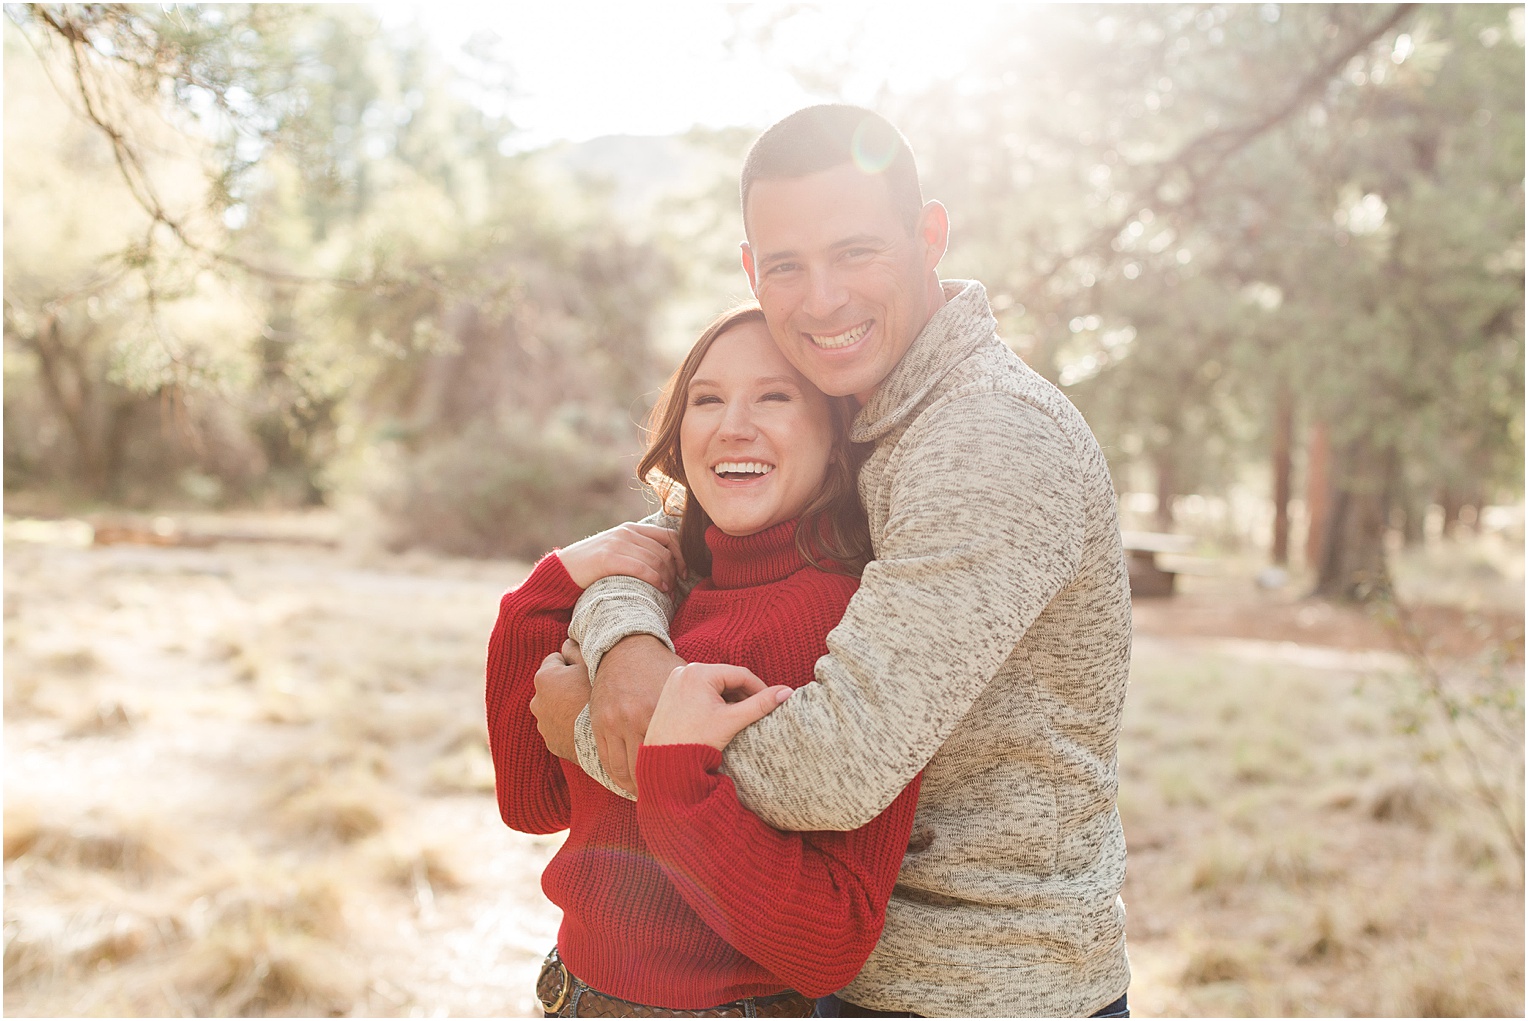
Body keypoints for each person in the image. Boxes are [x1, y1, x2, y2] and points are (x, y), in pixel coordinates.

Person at [533, 105, 1133, 1018]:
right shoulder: (855, 397)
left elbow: (836, 766)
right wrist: (625, 639)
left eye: (856, 253)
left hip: (985, 989)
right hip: (828, 976)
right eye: (786, 265)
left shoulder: (987, 439)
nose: (821, 300)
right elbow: (670, 533)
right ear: (751, 271)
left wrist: (594, 735)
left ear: (928, 236)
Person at [485, 304, 923, 1018]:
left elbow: (833, 943)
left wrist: (676, 781)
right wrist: (554, 583)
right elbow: (532, 801)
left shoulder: (850, 625)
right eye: (707, 398)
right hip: (567, 994)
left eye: (774, 396)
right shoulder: (664, 598)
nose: (732, 426)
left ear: (839, 438)